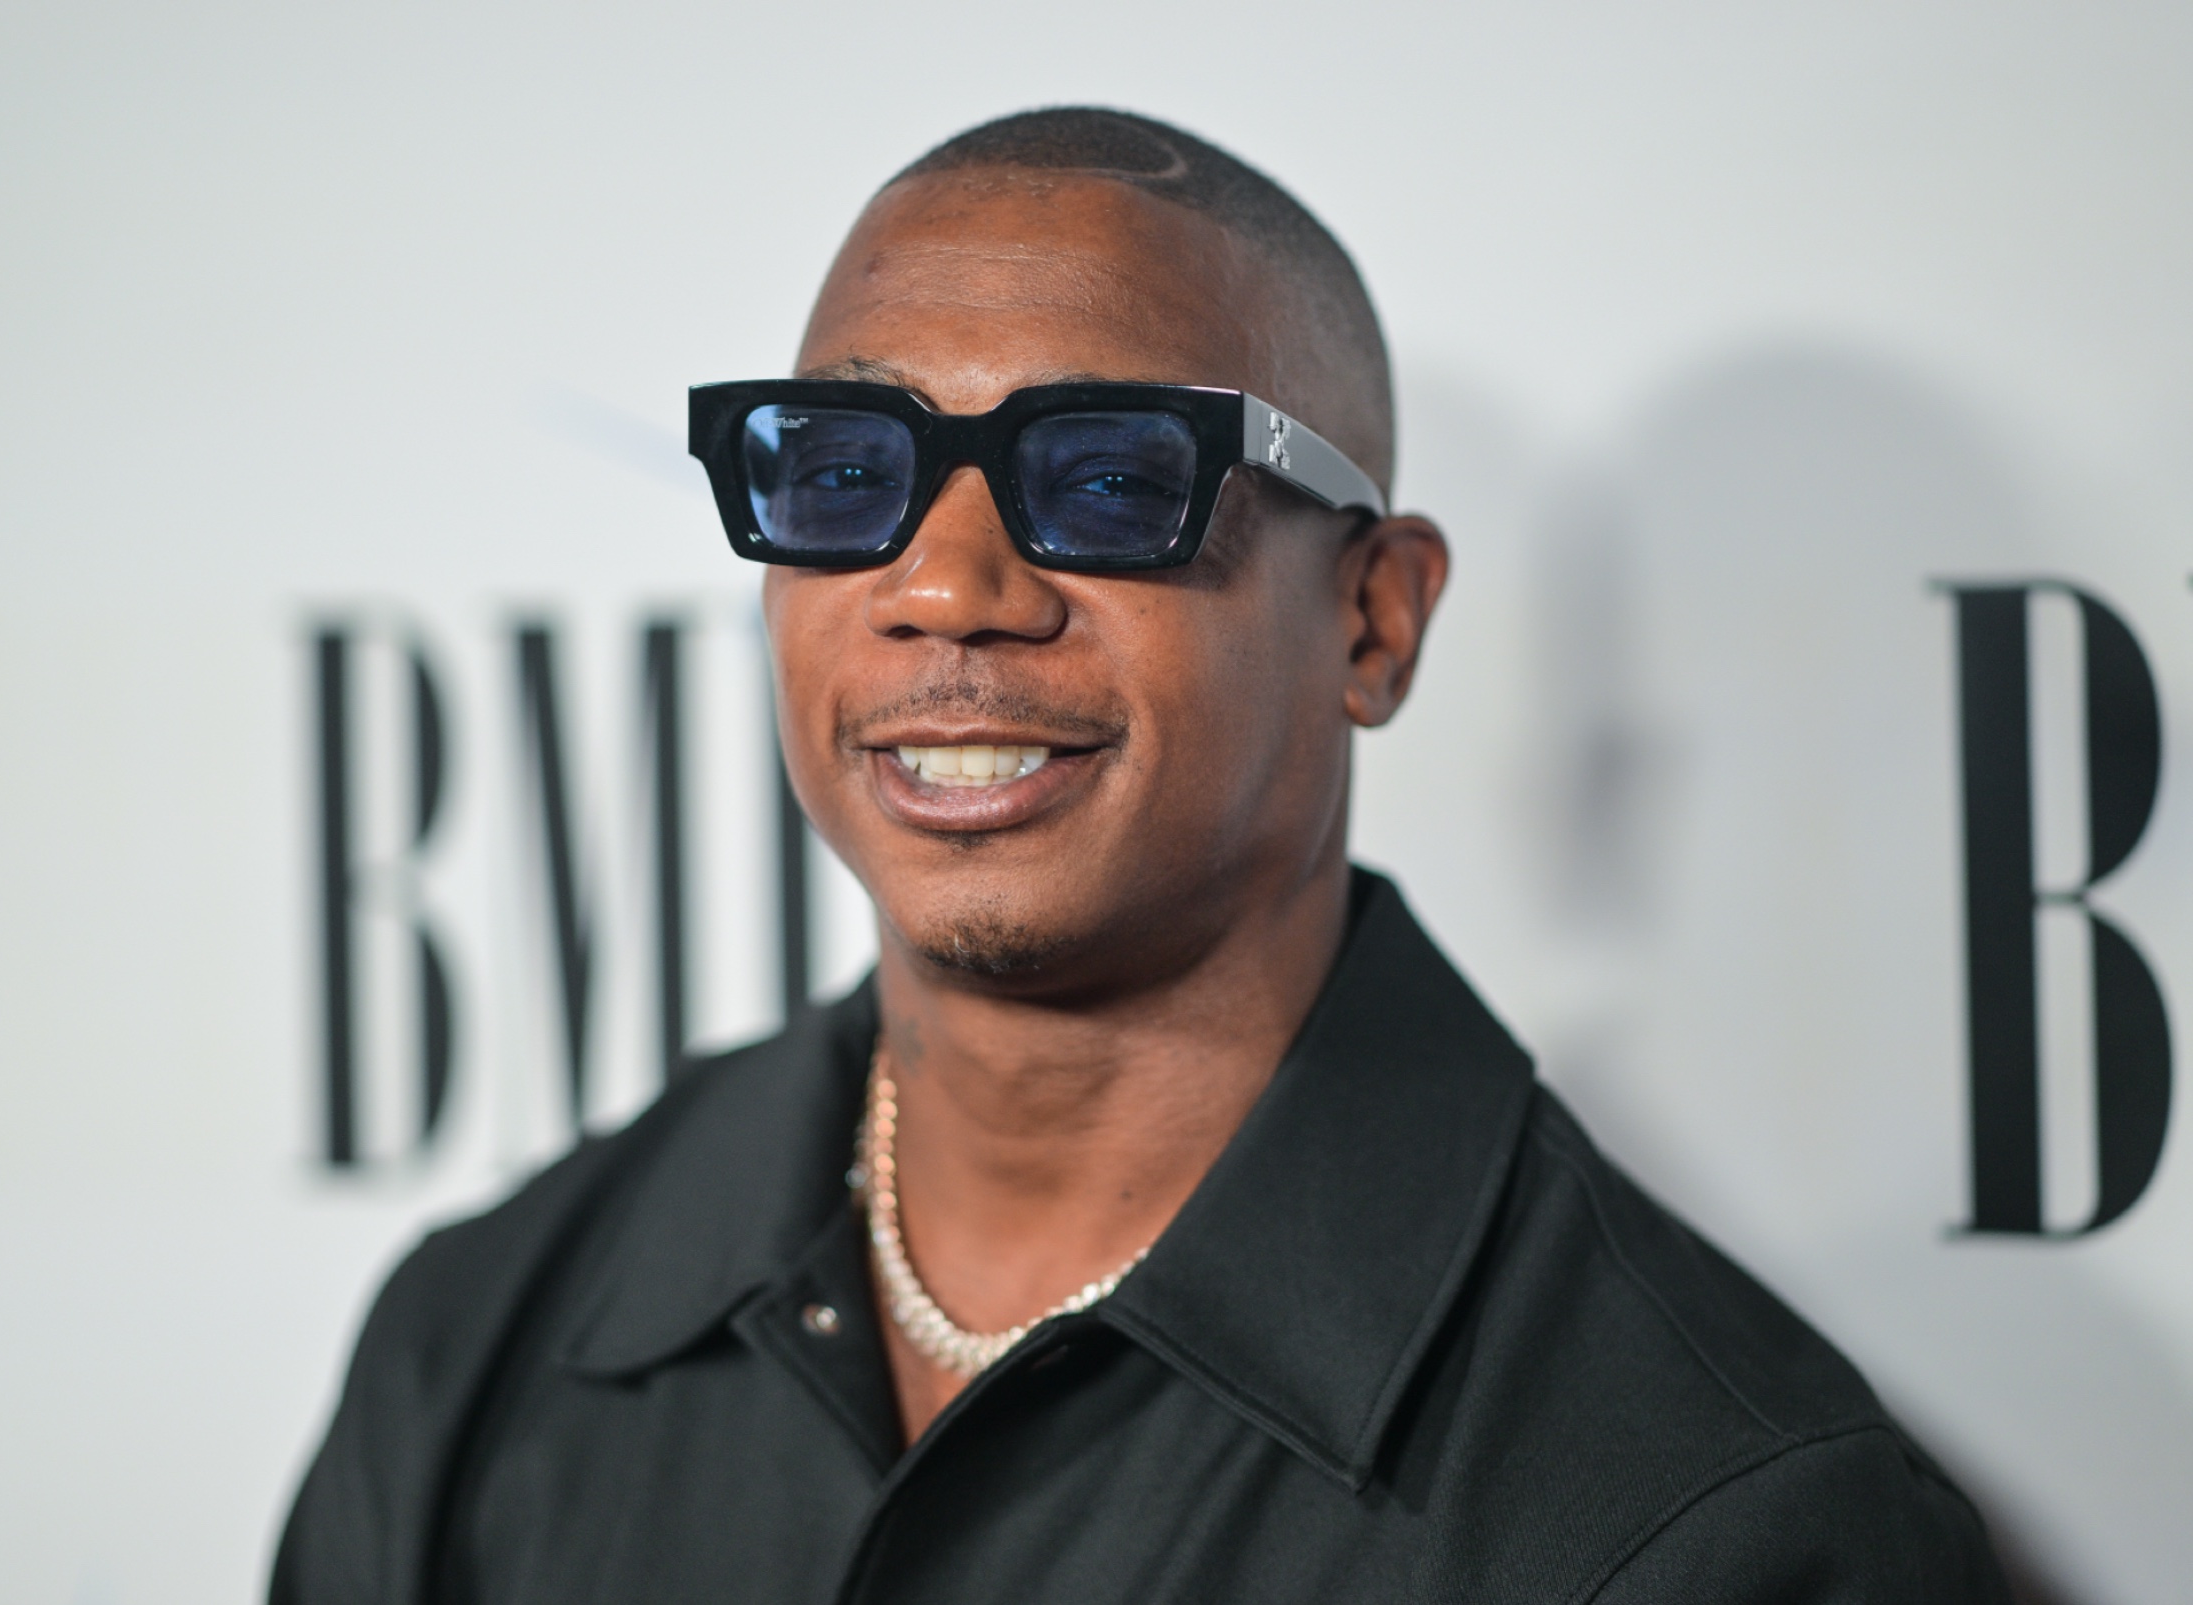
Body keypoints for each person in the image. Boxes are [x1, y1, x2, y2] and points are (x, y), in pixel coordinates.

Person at [272, 107, 2011, 1603]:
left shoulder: (1720, 1512)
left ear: (1372, 617)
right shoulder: (479, 1344)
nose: (944, 587)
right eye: (846, 473)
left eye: (1107, 479)